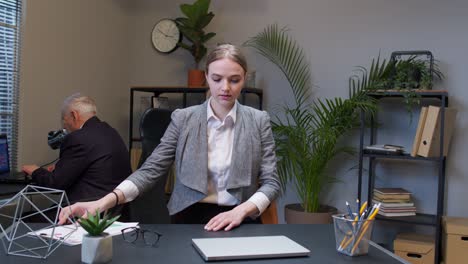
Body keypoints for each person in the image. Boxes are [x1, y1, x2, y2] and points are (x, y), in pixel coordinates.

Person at [59, 44, 281, 231]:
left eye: (234, 80)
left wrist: (242, 211)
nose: (225, 88)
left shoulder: (258, 120)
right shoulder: (183, 119)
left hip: (242, 217)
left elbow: (271, 183)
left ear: (244, 79)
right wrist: (103, 202)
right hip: (190, 219)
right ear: (206, 77)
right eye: (217, 78)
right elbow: (150, 170)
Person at [22, 94, 132, 204]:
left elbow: (55, 184)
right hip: (114, 211)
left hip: (88, 213)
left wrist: (35, 170)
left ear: (74, 115)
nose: (64, 127)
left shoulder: (78, 138)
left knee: (24, 218)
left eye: (64, 120)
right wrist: (61, 168)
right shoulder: (110, 131)